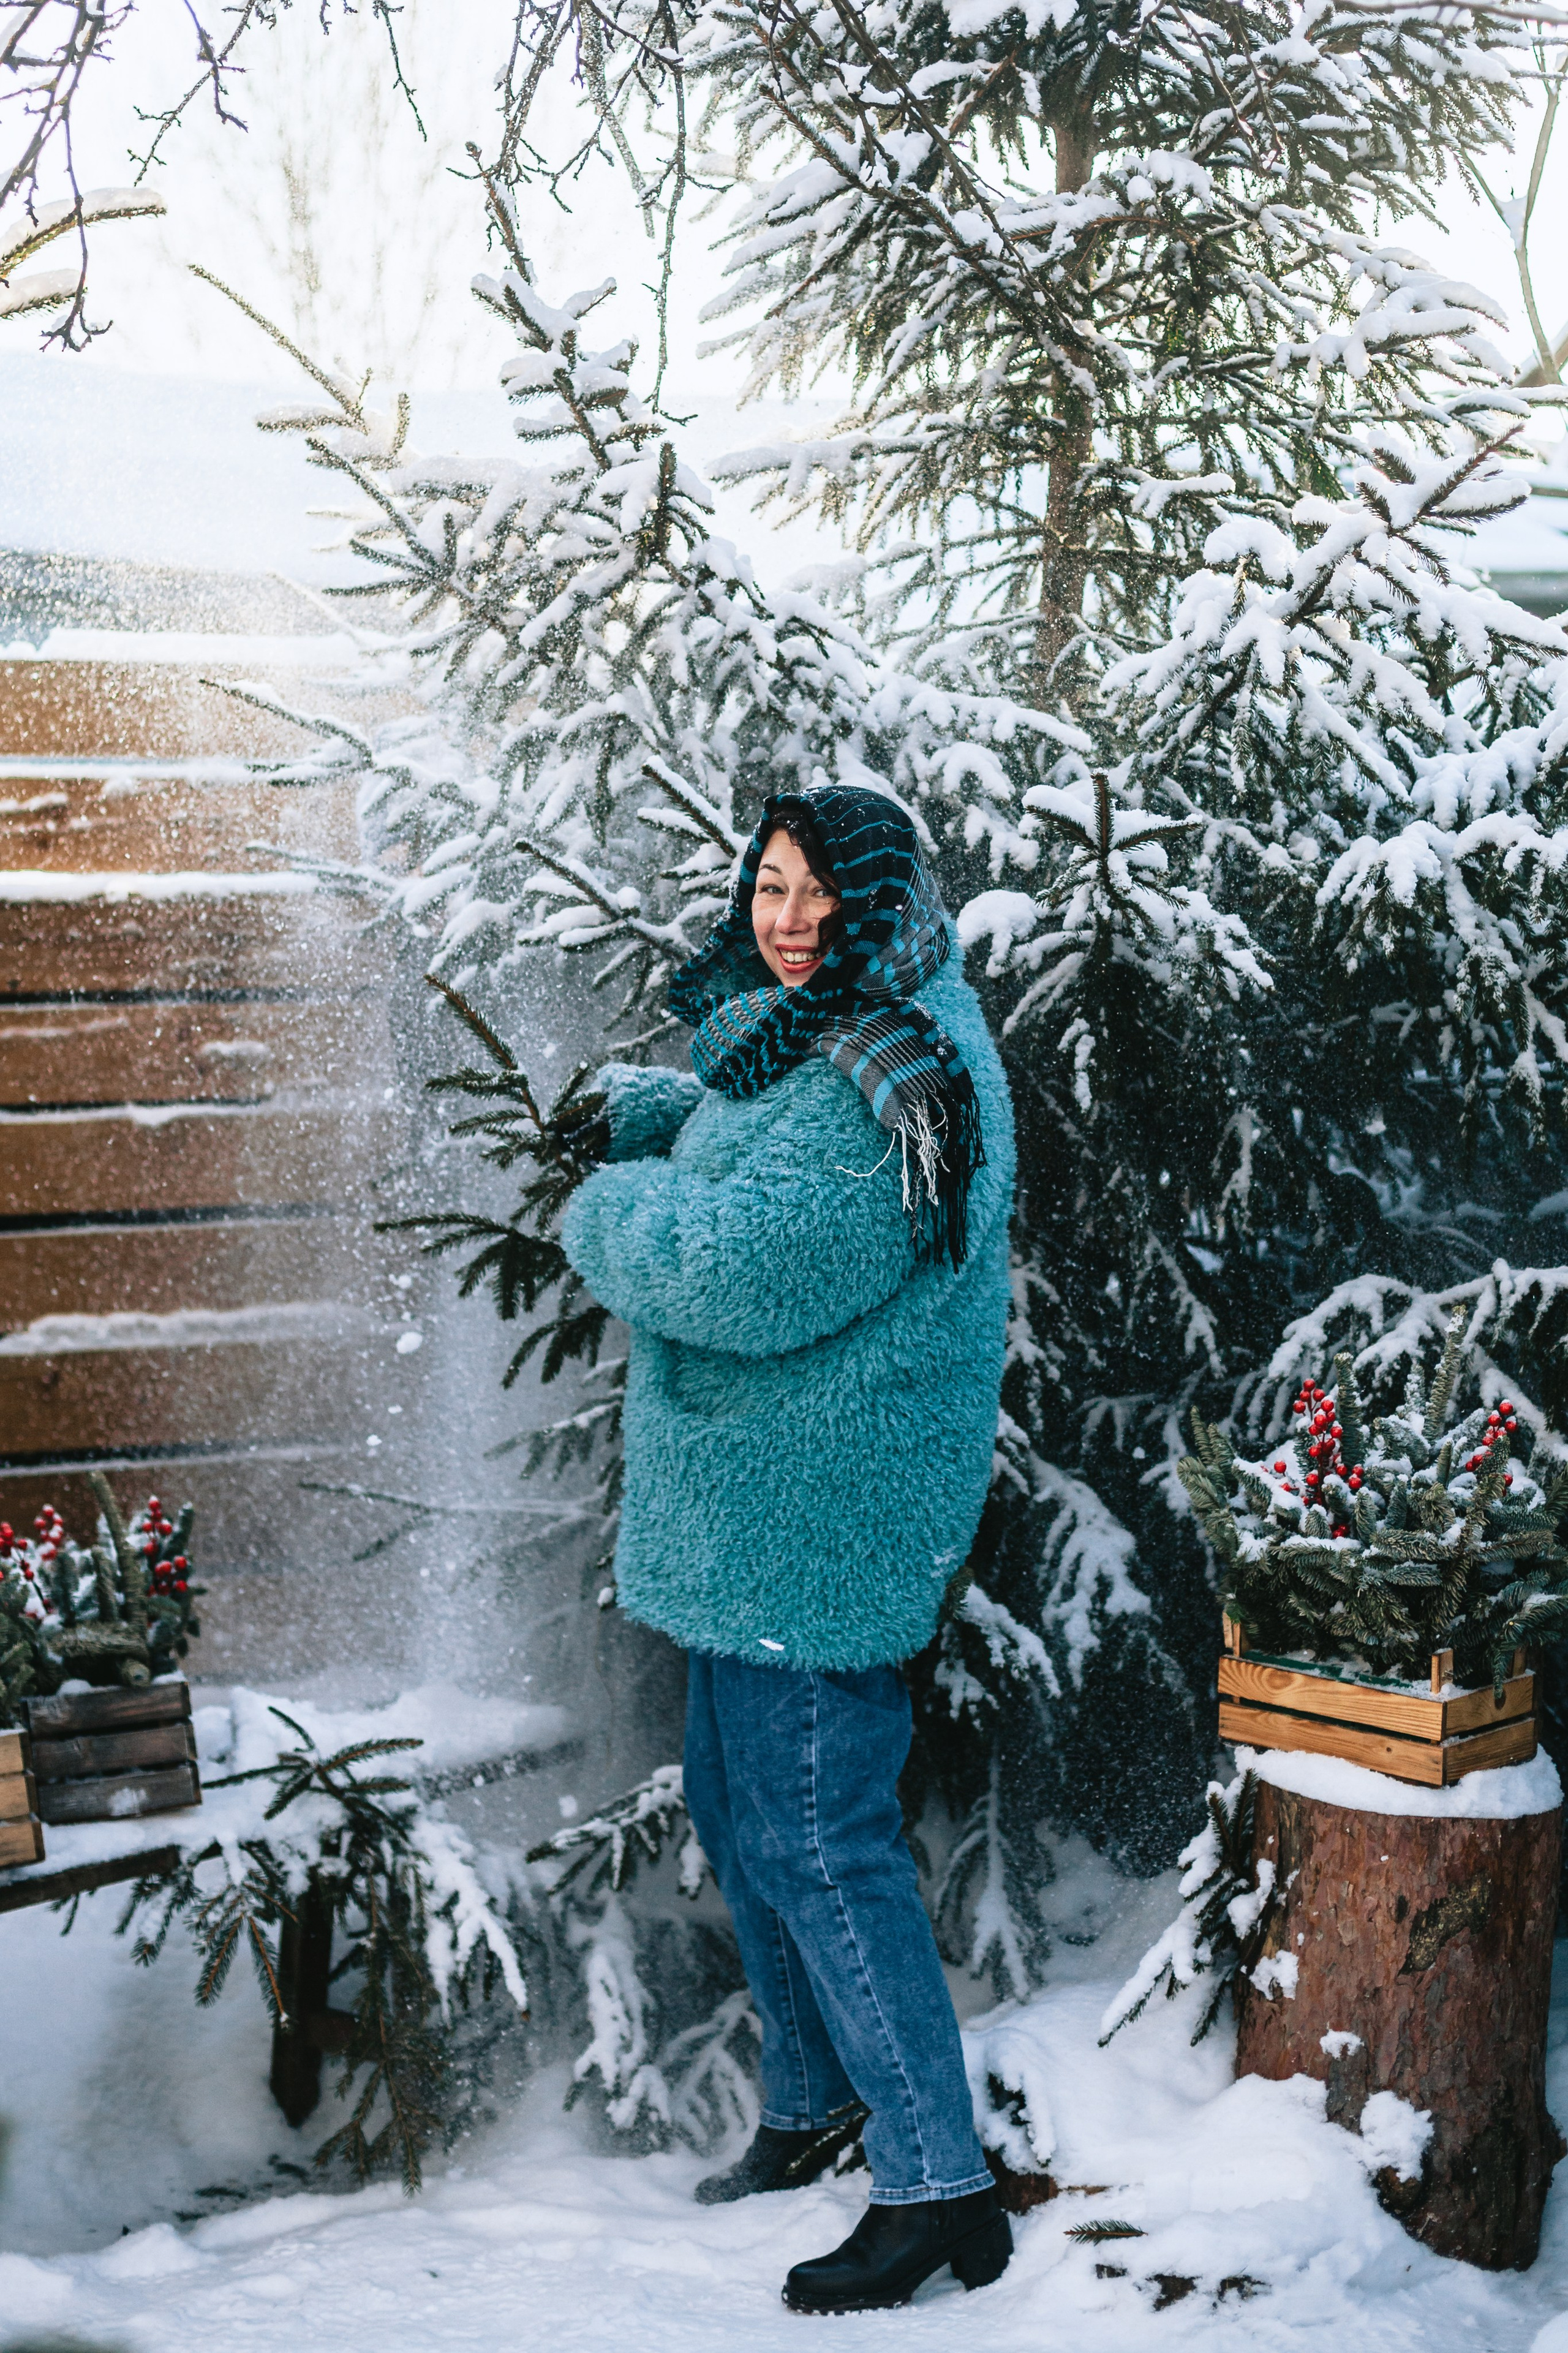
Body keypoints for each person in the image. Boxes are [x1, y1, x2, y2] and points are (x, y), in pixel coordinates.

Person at [560, 782, 1017, 2315]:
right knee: (748, 1818)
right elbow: (750, 1133)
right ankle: (815, 2099)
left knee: (819, 1845)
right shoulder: (832, 1033)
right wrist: (661, 1117)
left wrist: (609, 1201)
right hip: (751, 1518)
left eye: (825, 895)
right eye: (770, 887)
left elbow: (743, 1265)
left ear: (886, 905)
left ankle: (939, 2184)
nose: (790, 920)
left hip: (814, 1529)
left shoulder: (899, 1074)